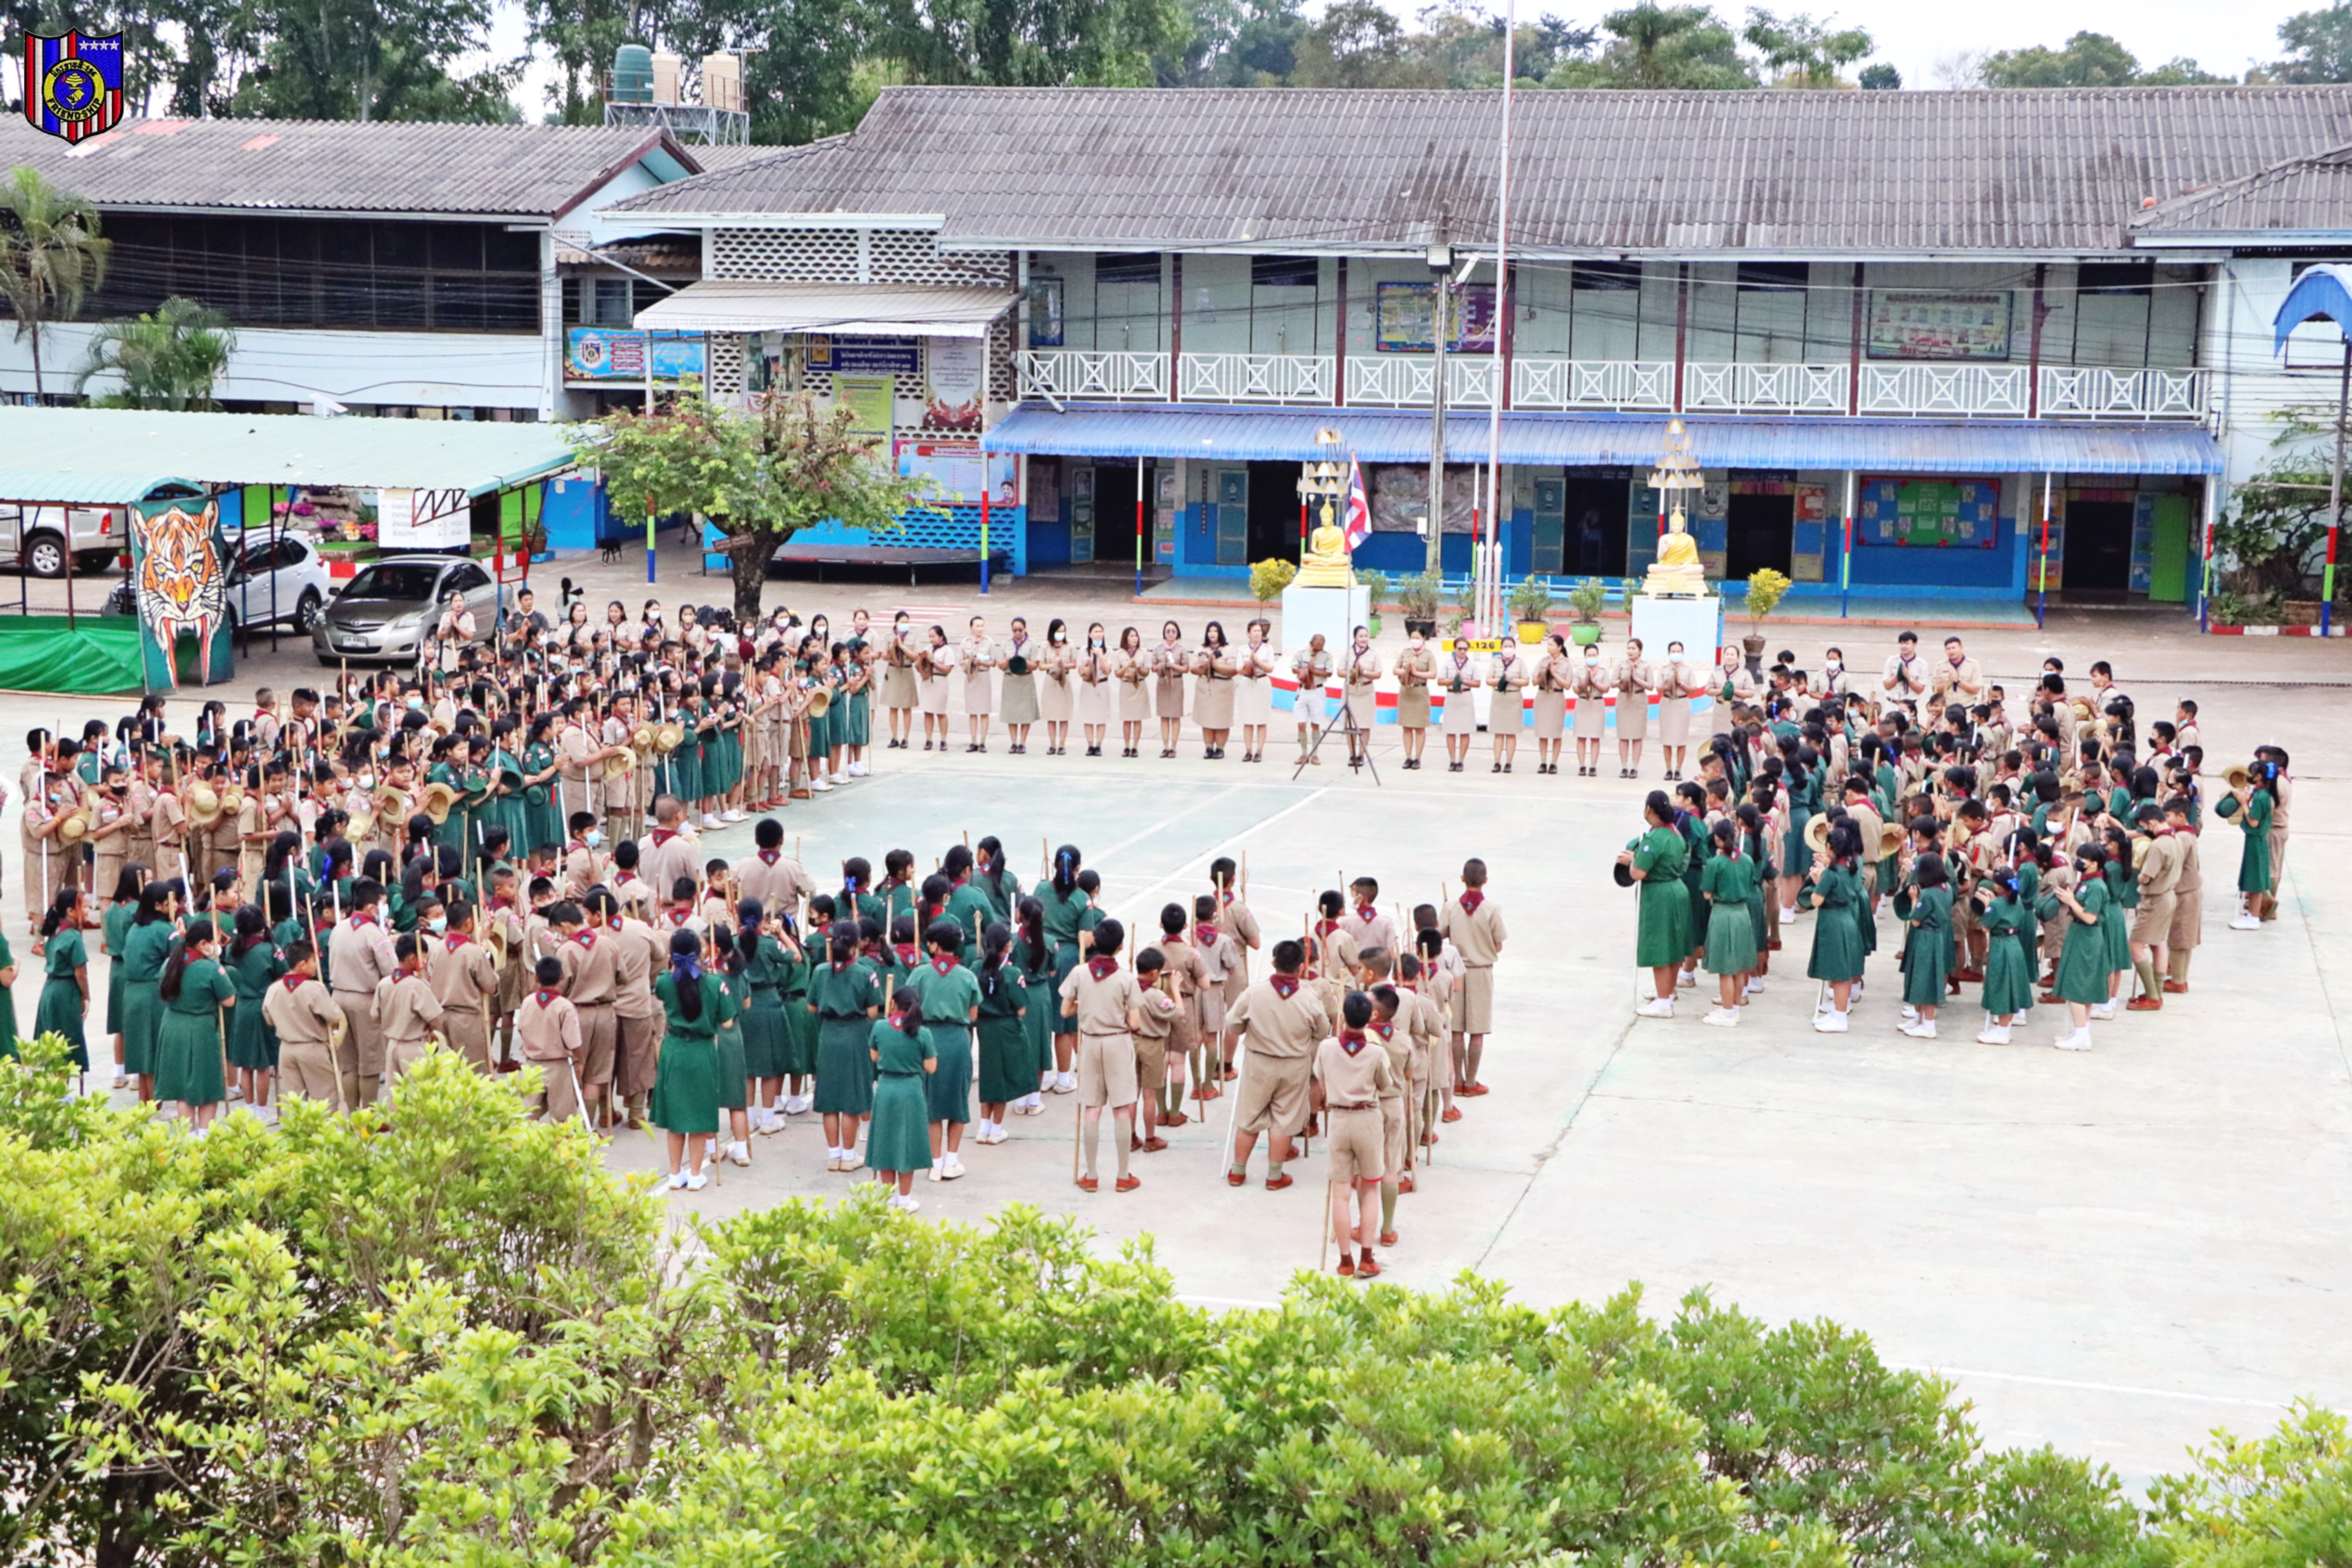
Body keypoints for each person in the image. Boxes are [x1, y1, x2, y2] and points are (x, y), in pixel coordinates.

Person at [1225, 938, 1327, 1189]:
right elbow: (1323, 1031)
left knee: (1250, 1117)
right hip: (1294, 1065)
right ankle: (1274, 1175)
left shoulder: (1254, 993)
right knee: (1285, 1119)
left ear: (1273, 962)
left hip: (1259, 1063)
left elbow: (1233, 1025)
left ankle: (1238, 1171)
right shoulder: (1310, 998)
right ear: (1302, 967)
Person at [1312, 990, 1393, 1279]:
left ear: (1343, 1017)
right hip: (1367, 1118)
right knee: (1370, 1189)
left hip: (1338, 1119)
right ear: (1370, 1019)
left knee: (1340, 1193)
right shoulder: (1376, 1052)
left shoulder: (1327, 1048)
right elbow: (1385, 1085)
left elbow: (1320, 1079)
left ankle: (1345, 1261)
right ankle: (1367, 1259)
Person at [652, 929, 735, 1191]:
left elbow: (665, 990)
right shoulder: (714, 983)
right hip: (702, 1051)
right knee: (699, 1116)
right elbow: (728, 1021)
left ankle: (675, 1174)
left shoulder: (665, 982)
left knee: (676, 1119)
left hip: (674, 1049)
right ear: (700, 953)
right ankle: (696, 1175)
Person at [154, 925, 236, 1131]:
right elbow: (229, 1001)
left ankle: (188, 1134)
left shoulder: (170, 963)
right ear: (203, 944)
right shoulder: (211, 968)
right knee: (208, 1084)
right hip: (201, 1029)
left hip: (173, 1026)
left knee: (184, 1088)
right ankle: (206, 1133)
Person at [1621, 794, 1691, 1018]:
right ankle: (1667, 995)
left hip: (1660, 896)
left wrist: (1632, 860)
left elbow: (1638, 873)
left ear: (1650, 809)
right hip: (1677, 889)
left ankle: (1663, 1004)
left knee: (1660, 949)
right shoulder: (1675, 833)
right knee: (1674, 948)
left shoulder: (1655, 838)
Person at [1437, 859, 1505, 1093]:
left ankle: (1456, 1081)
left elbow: (1440, 935)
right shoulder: (1492, 910)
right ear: (1486, 880)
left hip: (1455, 972)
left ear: (1462, 879)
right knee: (1477, 1030)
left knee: (1456, 1029)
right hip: (1481, 973)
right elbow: (1498, 945)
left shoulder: (1451, 907)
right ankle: (1471, 1082)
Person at [866, 995, 936, 1212]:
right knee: (907, 1144)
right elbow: (931, 1067)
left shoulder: (880, 1027)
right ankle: (905, 1199)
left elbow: (874, 1056)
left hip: (886, 1087)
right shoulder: (922, 1032)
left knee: (886, 1143)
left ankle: (888, 1199)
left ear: (893, 1004)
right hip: (911, 1090)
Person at [2044, 844, 2111, 1051]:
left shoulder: (2097, 887)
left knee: (2078, 988)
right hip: (2079, 935)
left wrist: (2071, 902)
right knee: (2084, 989)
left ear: (2095, 863)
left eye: (2084, 859)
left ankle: (2082, 1036)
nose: (2079, 862)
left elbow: (2090, 917)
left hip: (2087, 937)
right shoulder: (2086, 882)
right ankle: (2081, 1030)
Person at [1807, 821, 1868, 1033]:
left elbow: (1816, 900)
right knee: (1842, 970)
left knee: (1839, 974)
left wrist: (1817, 880)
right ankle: (1837, 1012)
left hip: (1833, 921)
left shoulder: (1831, 874)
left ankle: (1840, 1017)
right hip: (1848, 918)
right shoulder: (1852, 867)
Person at [1697, 819, 1758, 1027]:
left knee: (1726, 968)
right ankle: (1735, 1008)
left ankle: (1727, 1012)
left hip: (1723, 914)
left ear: (1717, 839)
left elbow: (1707, 894)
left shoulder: (1716, 863)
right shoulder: (1747, 860)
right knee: (1740, 967)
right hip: (1742, 913)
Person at [1897, 853, 1952, 1040]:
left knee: (1926, 981)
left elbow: (1916, 921)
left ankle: (1928, 1024)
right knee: (1922, 978)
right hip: (1938, 936)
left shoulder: (1928, 894)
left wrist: (1914, 899)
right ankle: (1919, 1019)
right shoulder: (1947, 889)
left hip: (1926, 937)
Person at [2214, 762, 2275, 931]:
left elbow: (2254, 822)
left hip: (2257, 840)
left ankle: (2254, 918)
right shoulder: (2260, 793)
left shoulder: (2262, 797)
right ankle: (2252, 915)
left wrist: (2243, 804)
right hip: (2254, 840)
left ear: (2259, 777)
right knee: (2253, 877)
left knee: (2255, 880)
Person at [1615, 637, 1656, 779]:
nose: (1630, 651)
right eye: (1629, 648)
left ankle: (1635, 767)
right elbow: (1612, 682)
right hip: (1624, 699)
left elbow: (1651, 686)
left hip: (1638, 700)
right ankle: (1624, 767)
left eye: (1633, 648)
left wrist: (1636, 678)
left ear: (1640, 651)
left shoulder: (1646, 667)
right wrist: (1624, 679)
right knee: (1624, 735)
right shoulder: (1621, 665)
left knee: (1637, 736)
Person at [1000, 616, 1040, 755]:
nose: (1018, 633)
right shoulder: (1006, 644)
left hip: (1025, 679)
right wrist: (1007, 660)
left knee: (1025, 713)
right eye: (1015, 630)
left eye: (1020, 630)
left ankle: (1023, 742)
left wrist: (1022, 660)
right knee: (1011, 713)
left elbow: (1035, 665)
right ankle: (1013, 742)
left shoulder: (1032, 644)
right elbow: (1000, 665)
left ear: (1025, 629)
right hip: (1011, 679)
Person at [1291, 632, 1333, 766]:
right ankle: (1304, 753)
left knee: (1316, 723)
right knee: (1301, 723)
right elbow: (1294, 668)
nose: (1319, 648)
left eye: (1321, 646)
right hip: (1303, 690)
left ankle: (1315, 754)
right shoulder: (1302, 654)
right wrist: (1303, 671)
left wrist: (1314, 671)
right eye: (1316, 646)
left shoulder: (1327, 656)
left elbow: (1329, 673)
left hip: (1317, 690)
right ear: (1311, 644)